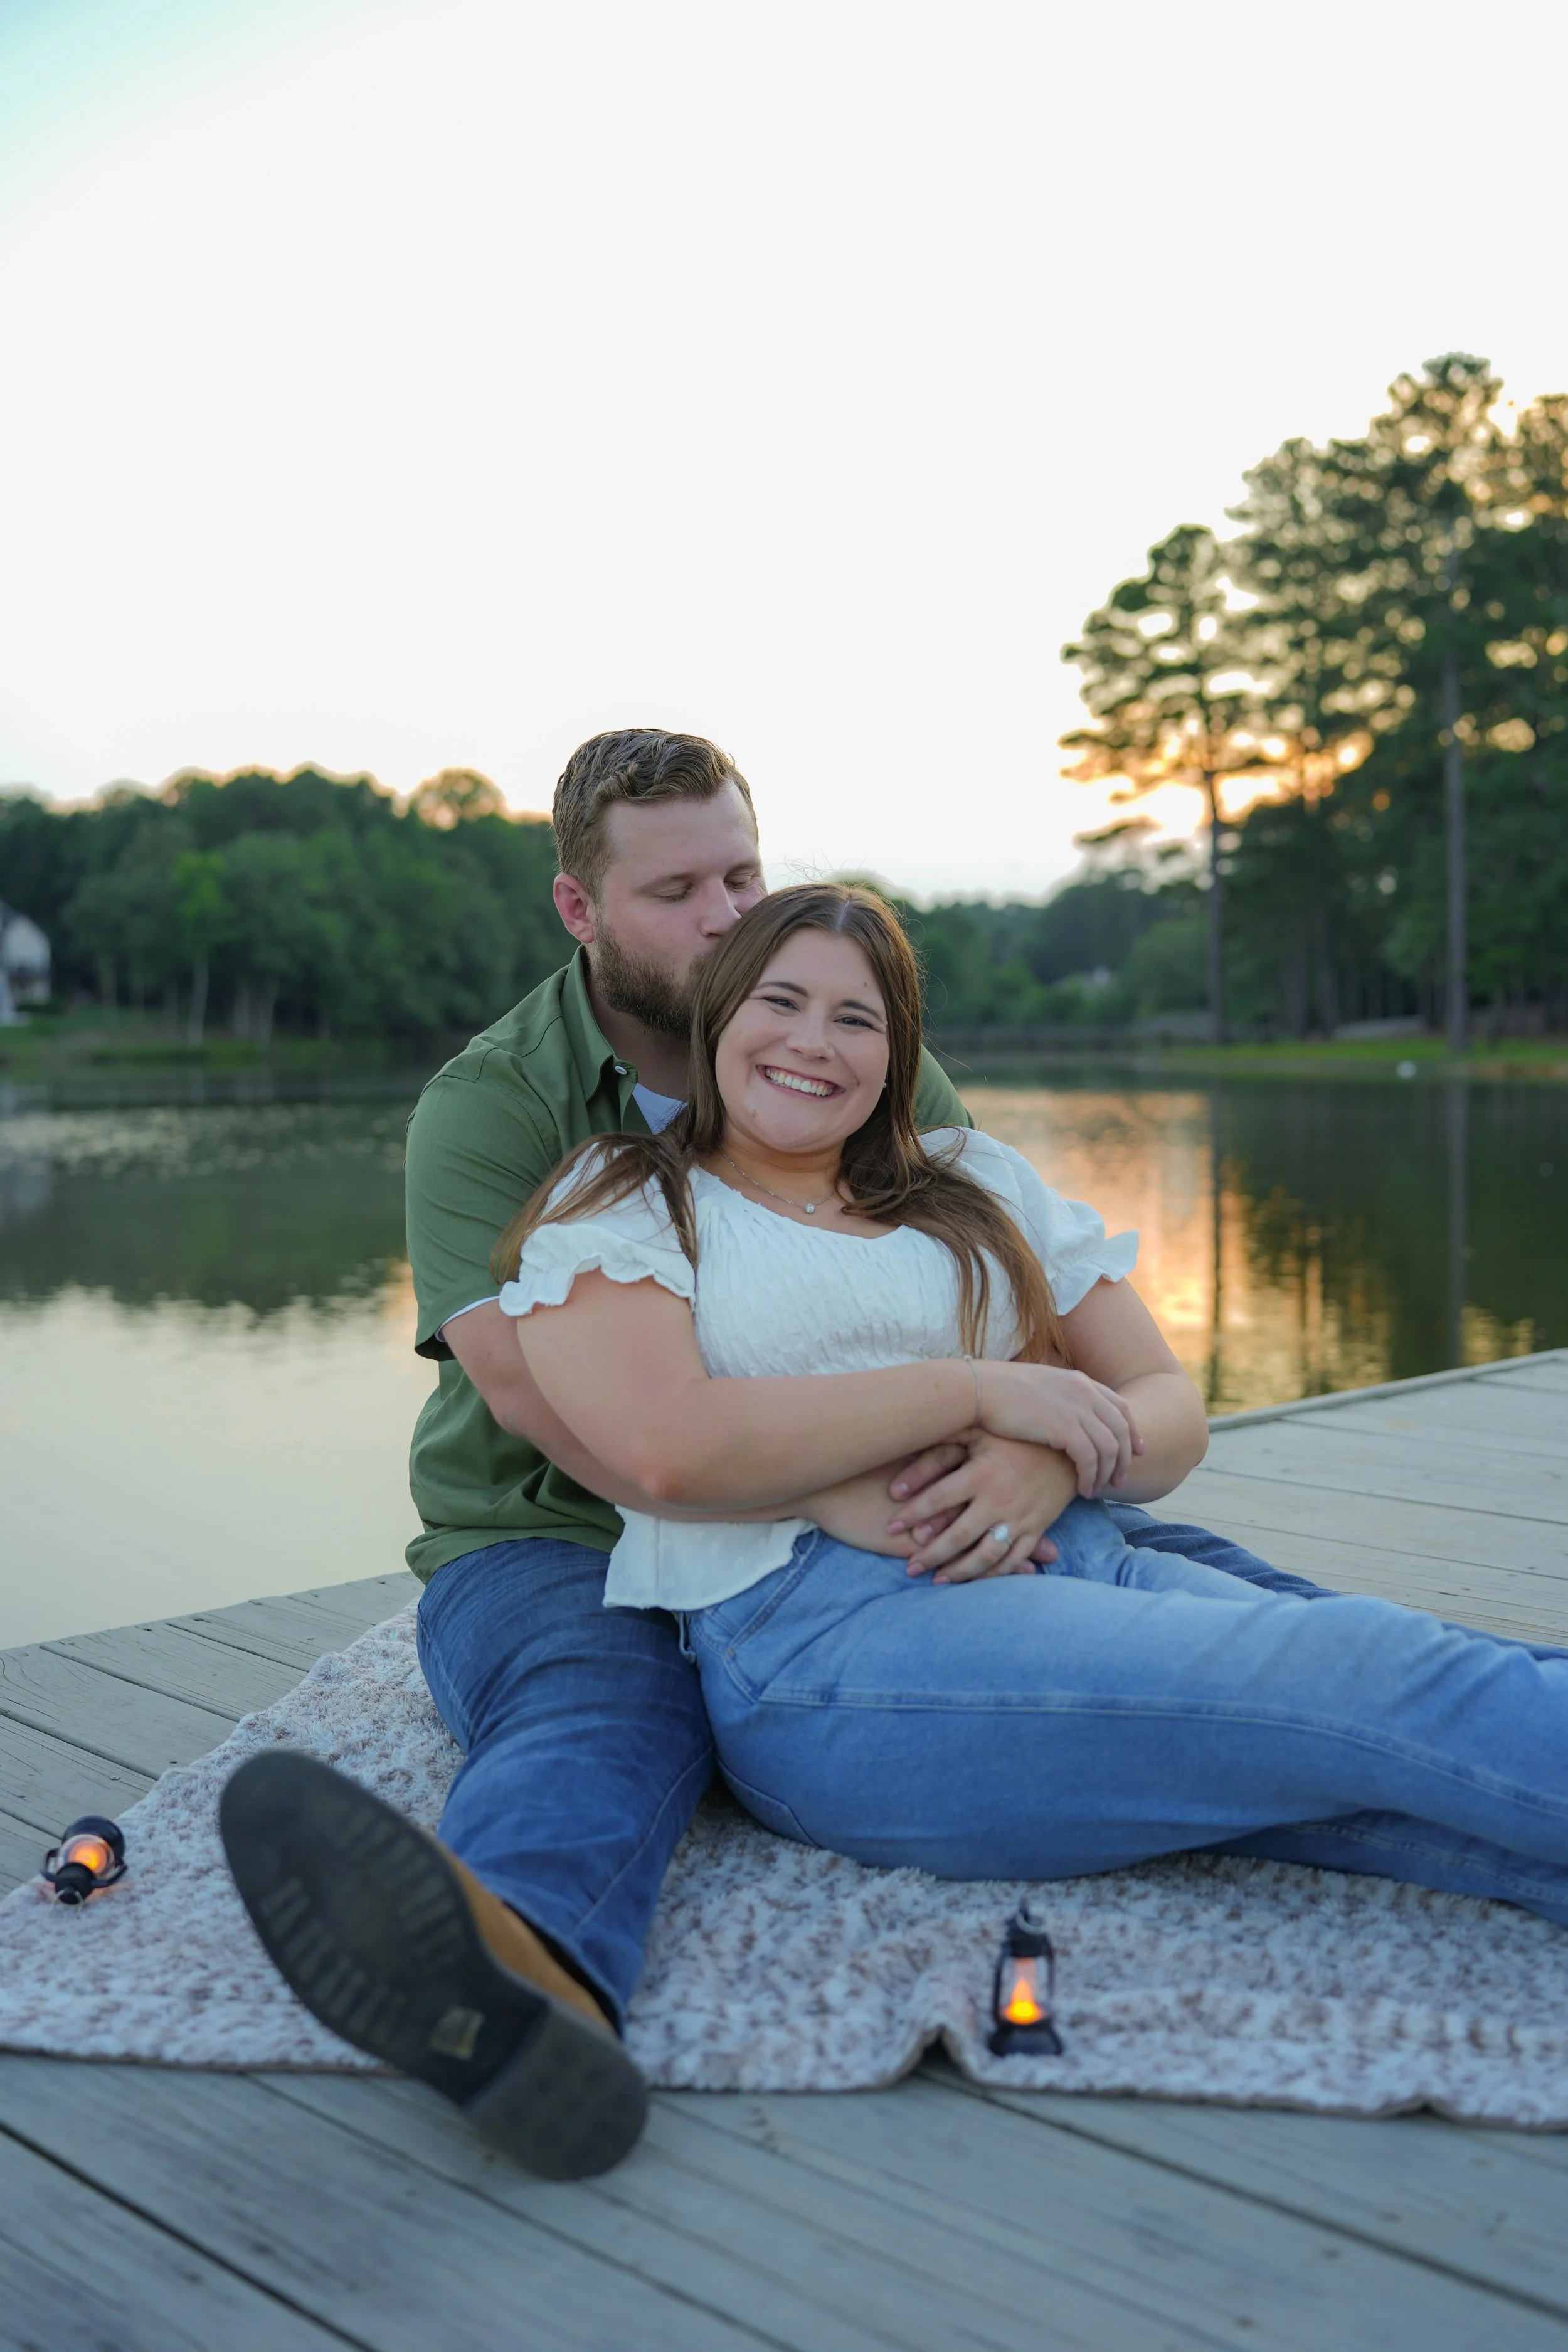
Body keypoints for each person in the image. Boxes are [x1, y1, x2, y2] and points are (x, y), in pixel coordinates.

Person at [221, 733, 1328, 2183]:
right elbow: (548, 1407)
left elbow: (1017, 1314)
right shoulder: (492, 1107)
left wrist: (1044, 1472)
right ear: (580, 912)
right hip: (564, 1529)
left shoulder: (851, 1042)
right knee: (596, 1709)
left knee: (1216, 1594)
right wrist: (801, 1489)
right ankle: (511, 1982)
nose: (727, 912)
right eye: (677, 888)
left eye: (741, 870)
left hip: (862, 1505)